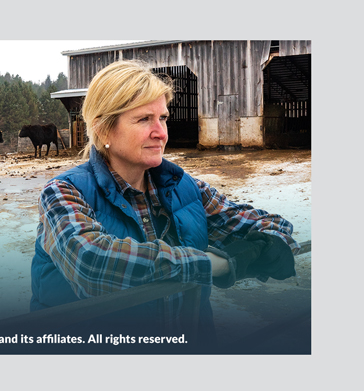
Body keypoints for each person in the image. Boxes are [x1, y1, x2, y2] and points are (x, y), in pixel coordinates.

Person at [30, 59, 299, 347]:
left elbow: (269, 224)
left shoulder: (184, 187)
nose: (161, 132)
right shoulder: (64, 192)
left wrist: (269, 243)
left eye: (163, 118)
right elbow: (92, 263)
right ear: (104, 130)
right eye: (144, 119)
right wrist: (217, 265)